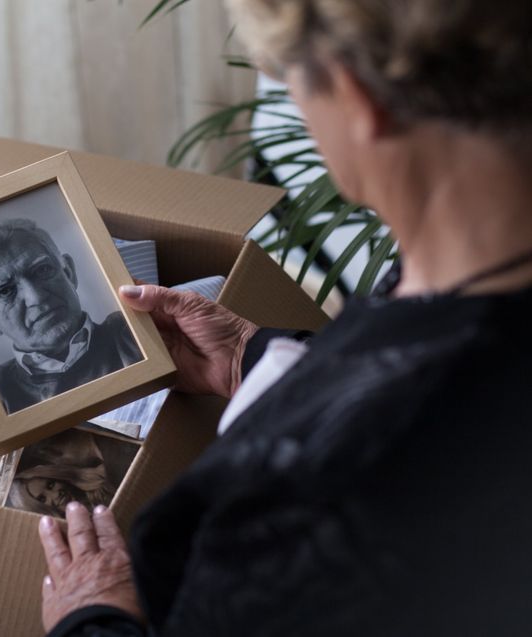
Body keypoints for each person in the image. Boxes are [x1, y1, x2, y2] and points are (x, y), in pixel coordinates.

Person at [37, 1, 532, 635]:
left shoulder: (309, 496)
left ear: (356, 100)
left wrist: (91, 615)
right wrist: (262, 358)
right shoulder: (471, 275)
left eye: (287, 78)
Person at [0, 218, 142, 412]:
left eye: (42, 270)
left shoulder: (133, 333)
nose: (36, 298)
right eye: (6, 291)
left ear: (69, 273)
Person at [7, 428, 118, 517]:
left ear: (58, 477)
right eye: (42, 499)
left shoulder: (103, 479)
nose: (55, 495)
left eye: (51, 485)